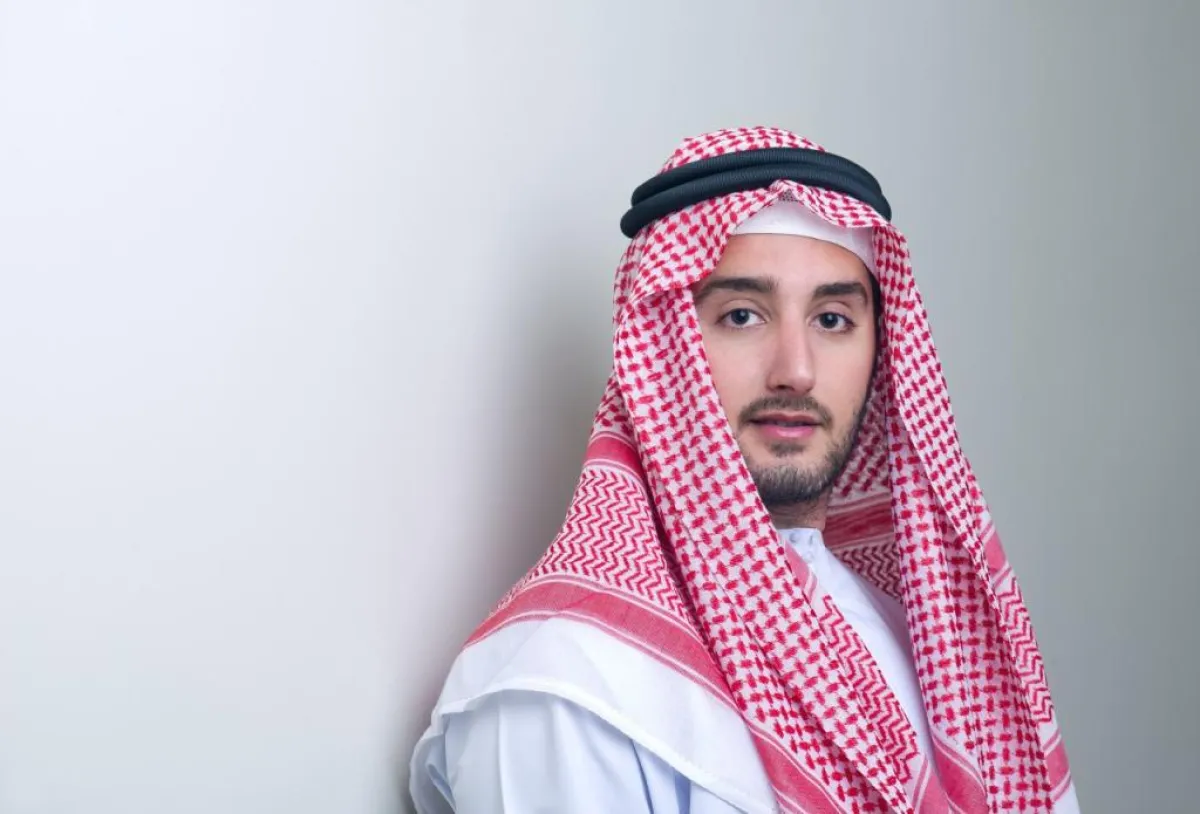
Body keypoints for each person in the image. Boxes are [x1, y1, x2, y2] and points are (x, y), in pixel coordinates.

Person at [408, 126, 1081, 814]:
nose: (796, 370)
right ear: (663, 350)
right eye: (741, 315)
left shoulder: (920, 647)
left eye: (832, 320)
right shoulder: (568, 685)